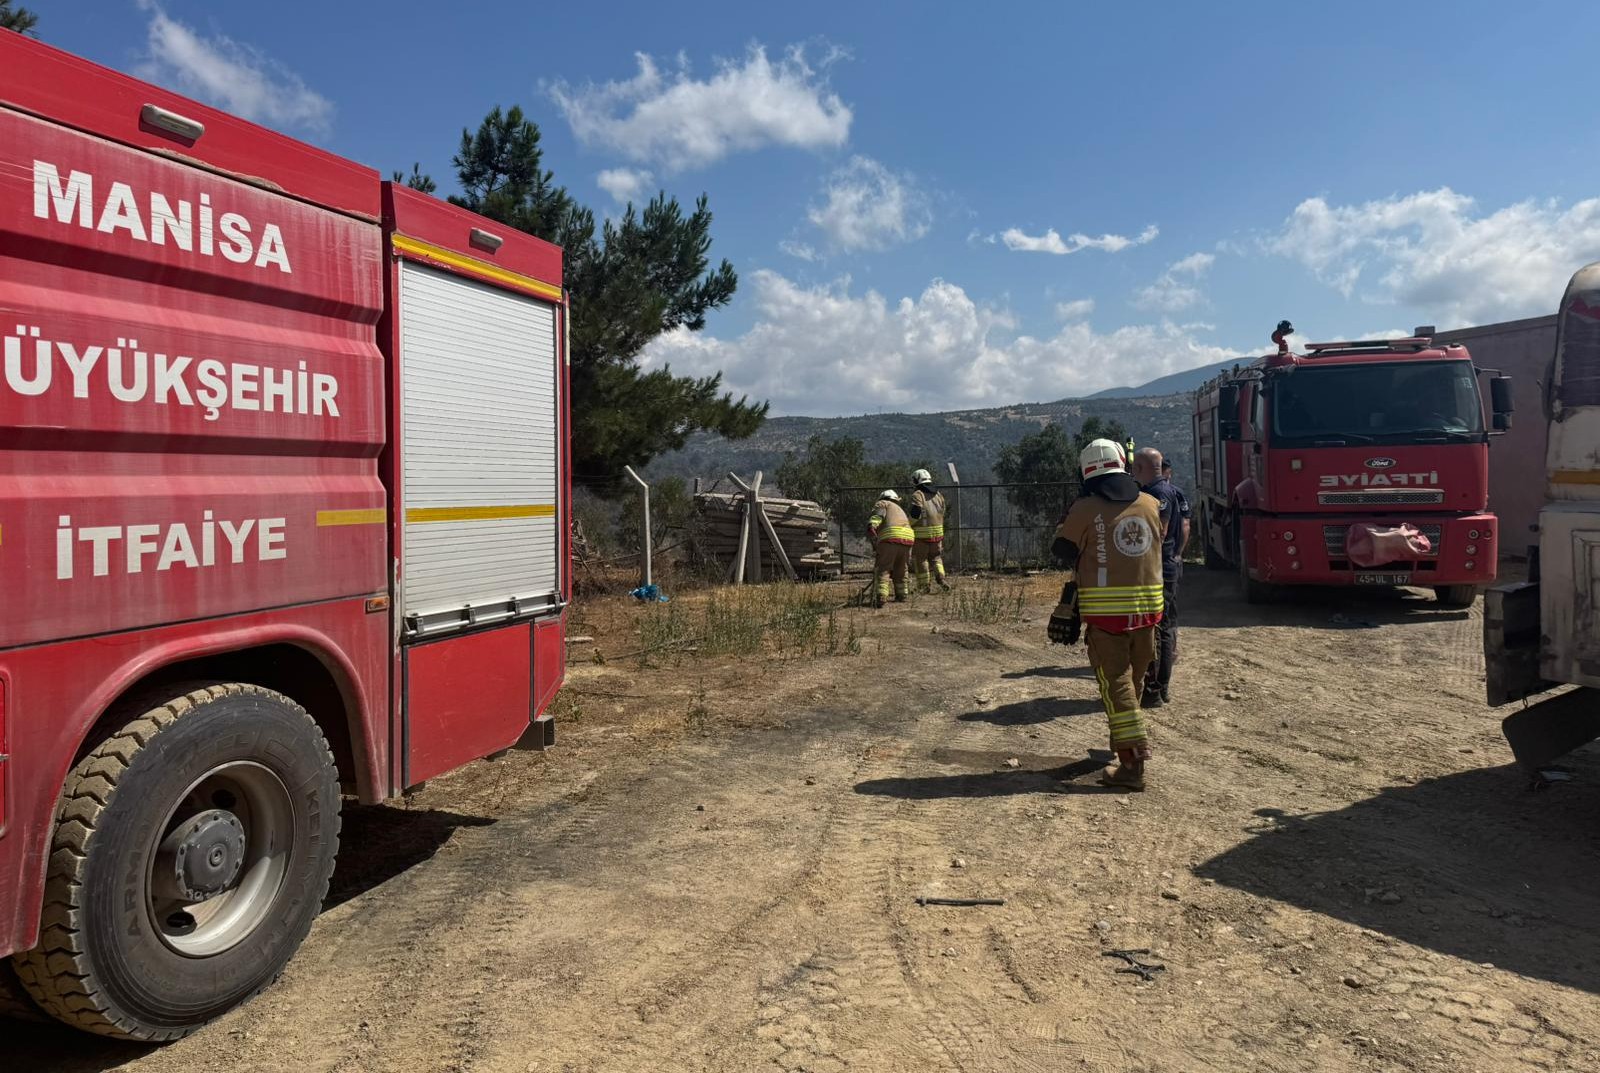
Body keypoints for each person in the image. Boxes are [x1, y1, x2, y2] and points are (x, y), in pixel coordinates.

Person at [1051, 439, 1165, 789]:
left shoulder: (1085, 508)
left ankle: (1133, 765)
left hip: (1106, 617)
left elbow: (1061, 549)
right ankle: (1122, 749)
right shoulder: (1151, 503)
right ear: (1122, 464)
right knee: (1133, 682)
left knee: (1115, 684)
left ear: (1086, 472)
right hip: (1147, 614)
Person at [1131, 448, 1184, 708]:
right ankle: (1159, 688)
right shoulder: (1168, 490)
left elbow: (1159, 532)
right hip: (1168, 563)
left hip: (1159, 567)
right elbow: (1183, 529)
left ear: (1141, 468)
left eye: (1134, 468)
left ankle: (1156, 688)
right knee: (1163, 626)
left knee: (1158, 628)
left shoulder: (1157, 494)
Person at [906, 468, 951, 593]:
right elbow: (943, 511)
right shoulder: (939, 495)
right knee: (936, 557)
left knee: (921, 559)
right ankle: (941, 578)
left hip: (921, 535)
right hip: (938, 534)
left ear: (916, 481)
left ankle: (924, 586)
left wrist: (907, 524)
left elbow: (916, 513)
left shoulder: (918, 494)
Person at [868, 489, 914, 607]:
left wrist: (872, 527)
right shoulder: (900, 509)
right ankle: (902, 595)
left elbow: (877, 516)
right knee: (901, 569)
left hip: (891, 538)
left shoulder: (883, 503)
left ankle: (881, 596)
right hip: (908, 539)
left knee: (883, 567)